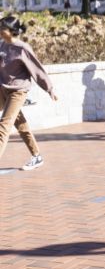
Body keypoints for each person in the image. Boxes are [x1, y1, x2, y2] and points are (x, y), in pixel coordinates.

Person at [0, 16, 58, 170]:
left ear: (12, 31)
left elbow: (37, 70)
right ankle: (36, 156)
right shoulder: (1, 45)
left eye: (2, 28)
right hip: (3, 89)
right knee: (20, 124)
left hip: (18, 91)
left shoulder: (22, 48)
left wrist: (49, 88)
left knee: (4, 125)